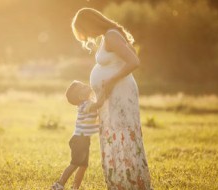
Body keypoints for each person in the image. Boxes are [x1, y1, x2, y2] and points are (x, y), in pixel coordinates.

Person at [71, 8, 152, 190]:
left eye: (86, 31)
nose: (89, 36)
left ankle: (130, 182)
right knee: (113, 135)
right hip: (112, 95)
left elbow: (134, 61)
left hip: (120, 94)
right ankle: (119, 181)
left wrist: (110, 81)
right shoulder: (107, 37)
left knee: (121, 135)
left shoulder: (111, 36)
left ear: (91, 24)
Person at [51, 80, 105, 190]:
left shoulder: (87, 102)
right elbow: (99, 104)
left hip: (83, 140)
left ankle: (75, 187)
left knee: (83, 165)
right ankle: (59, 184)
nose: (86, 85)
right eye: (83, 87)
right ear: (81, 96)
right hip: (79, 140)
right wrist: (105, 89)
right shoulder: (85, 105)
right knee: (75, 164)